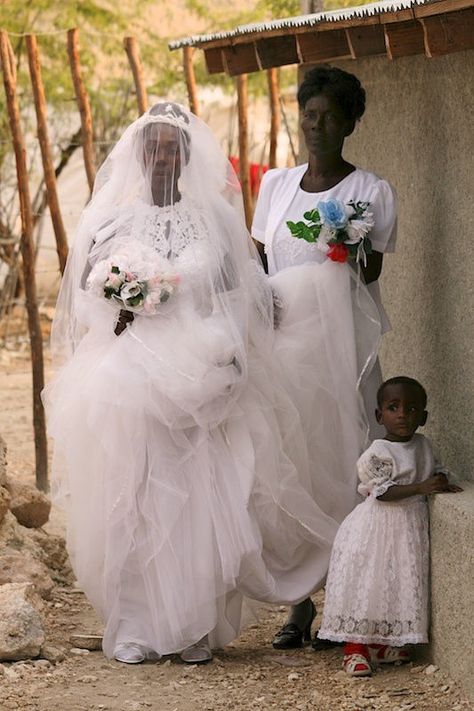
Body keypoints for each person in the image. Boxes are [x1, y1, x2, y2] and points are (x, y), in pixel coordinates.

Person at [44, 103, 340, 665]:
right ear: (138, 154)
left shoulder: (216, 223)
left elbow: (249, 293)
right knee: (136, 496)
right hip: (132, 377)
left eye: (172, 148)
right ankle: (136, 623)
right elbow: (85, 292)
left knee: (203, 497)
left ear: (187, 157)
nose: (162, 157)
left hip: (205, 374)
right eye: (153, 148)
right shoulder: (113, 223)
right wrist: (123, 297)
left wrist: (243, 342)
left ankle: (193, 626)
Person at [251, 65, 397, 649]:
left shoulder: (371, 192)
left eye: (330, 116)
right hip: (286, 349)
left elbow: (371, 274)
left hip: (341, 351)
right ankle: (298, 607)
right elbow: (260, 264)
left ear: (351, 123)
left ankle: (343, 600)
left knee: (342, 460)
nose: (317, 126)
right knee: (291, 463)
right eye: (309, 114)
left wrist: (348, 242)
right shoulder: (276, 186)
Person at [317, 376, 463, 676]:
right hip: (377, 528)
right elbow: (382, 492)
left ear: (422, 417)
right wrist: (423, 487)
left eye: (411, 409)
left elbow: (434, 467)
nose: (402, 415)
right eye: (393, 407)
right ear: (379, 415)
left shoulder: (423, 444)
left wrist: (440, 480)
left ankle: (386, 643)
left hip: (408, 530)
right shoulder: (378, 452)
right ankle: (355, 648)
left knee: (398, 583)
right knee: (370, 582)